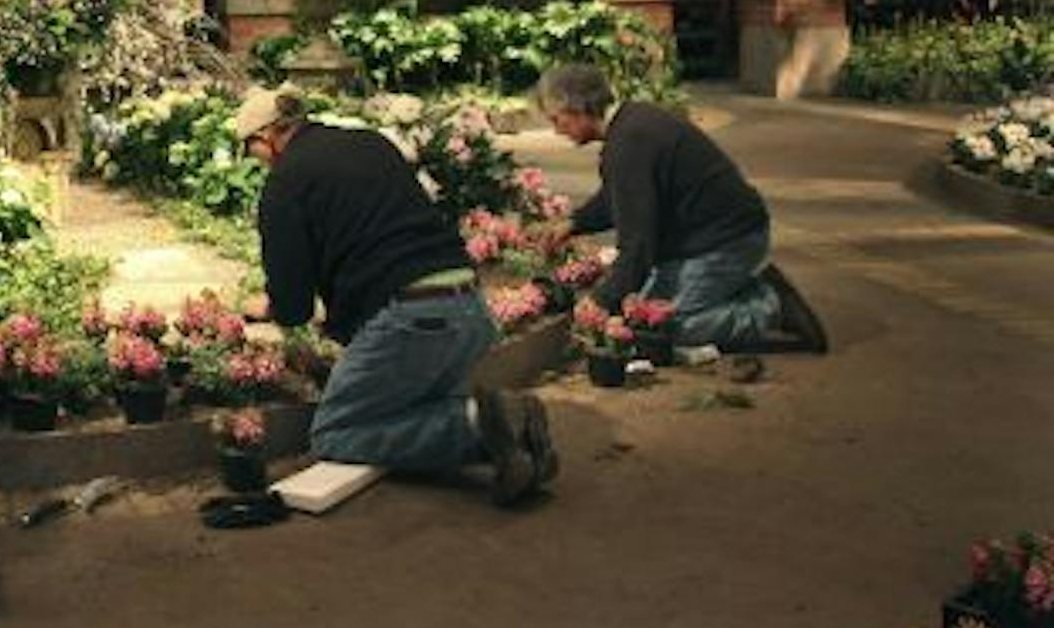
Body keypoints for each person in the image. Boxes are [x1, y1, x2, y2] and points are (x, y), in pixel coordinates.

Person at [237, 88, 556, 505]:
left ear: (267, 136)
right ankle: (513, 441)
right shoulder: (370, 144)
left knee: (337, 432)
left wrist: (270, 307)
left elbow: (294, 305)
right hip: (469, 306)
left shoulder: (285, 183)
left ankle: (479, 424)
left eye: (251, 150)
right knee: (409, 406)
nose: (256, 161)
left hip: (412, 318)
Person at [537, 64, 827, 354]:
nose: (556, 130)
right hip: (709, 238)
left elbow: (638, 245)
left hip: (727, 241)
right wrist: (574, 223)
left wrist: (601, 300)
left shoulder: (629, 144)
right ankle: (744, 286)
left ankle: (770, 308)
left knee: (663, 325)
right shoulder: (631, 124)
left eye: (556, 119)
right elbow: (620, 196)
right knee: (638, 311)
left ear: (577, 108)